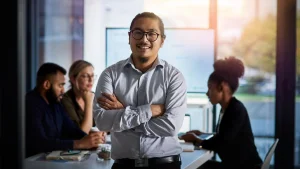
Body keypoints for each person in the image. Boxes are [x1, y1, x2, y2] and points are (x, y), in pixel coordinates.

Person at [93, 12, 187, 169]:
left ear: (162, 40)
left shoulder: (174, 77)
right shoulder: (110, 74)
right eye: (138, 33)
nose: (144, 39)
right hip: (124, 165)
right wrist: (150, 110)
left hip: (165, 165)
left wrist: (123, 111)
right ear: (129, 37)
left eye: (152, 34)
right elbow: (102, 122)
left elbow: (171, 127)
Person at [180, 57, 263, 169]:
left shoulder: (235, 110)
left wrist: (195, 139)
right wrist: (202, 134)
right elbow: (225, 136)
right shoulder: (228, 108)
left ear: (222, 87)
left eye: (210, 88)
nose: (207, 93)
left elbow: (221, 143)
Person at [25, 62, 102, 158]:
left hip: (49, 158)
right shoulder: (30, 103)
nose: (63, 90)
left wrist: (91, 140)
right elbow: (40, 143)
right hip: (31, 161)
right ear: (46, 84)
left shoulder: (55, 103)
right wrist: (79, 144)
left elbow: (71, 130)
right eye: (60, 85)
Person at [61, 60, 106, 139]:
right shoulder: (65, 100)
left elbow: (106, 125)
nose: (90, 80)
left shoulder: (94, 95)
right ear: (73, 79)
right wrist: (88, 103)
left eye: (92, 76)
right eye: (85, 76)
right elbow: (81, 135)